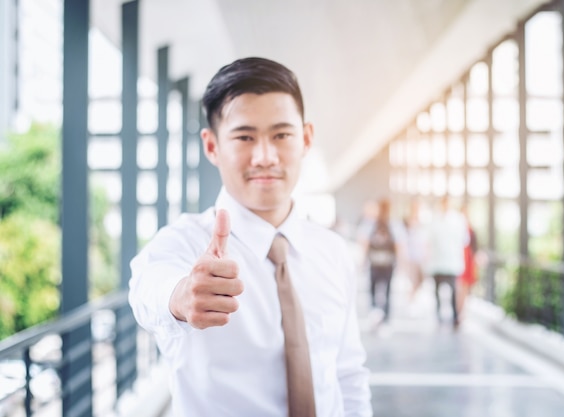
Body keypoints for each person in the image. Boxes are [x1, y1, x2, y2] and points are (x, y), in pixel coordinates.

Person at [128, 57, 372, 417]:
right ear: (212, 147)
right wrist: (180, 296)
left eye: (281, 135)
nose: (265, 156)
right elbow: (148, 286)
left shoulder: (332, 251)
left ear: (305, 139)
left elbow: (347, 374)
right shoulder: (184, 244)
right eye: (244, 137)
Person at [358, 198, 405, 333]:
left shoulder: (371, 223)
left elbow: (364, 243)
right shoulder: (394, 224)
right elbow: (399, 245)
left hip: (375, 262)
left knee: (373, 289)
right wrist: (400, 262)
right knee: (387, 291)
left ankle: (375, 315)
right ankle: (384, 319)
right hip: (388, 263)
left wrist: (363, 261)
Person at [426, 195, 467, 327]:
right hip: (437, 261)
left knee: (453, 289)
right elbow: (429, 240)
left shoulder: (458, 219)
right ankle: (438, 314)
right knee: (437, 289)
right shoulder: (435, 219)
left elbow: (465, 240)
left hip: (452, 261)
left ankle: (455, 315)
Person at [403, 197, 429, 302]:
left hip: (420, 256)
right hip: (411, 256)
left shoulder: (422, 220)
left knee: (421, 279)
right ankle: (410, 300)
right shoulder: (406, 221)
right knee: (414, 280)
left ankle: (411, 298)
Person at [456, 205, 479, 320]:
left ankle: (461, 311)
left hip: (467, 262)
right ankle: (457, 309)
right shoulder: (455, 229)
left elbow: (475, 247)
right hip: (457, 260)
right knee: (458, 287)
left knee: (464, 287)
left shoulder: (471, 230)